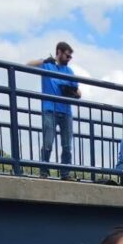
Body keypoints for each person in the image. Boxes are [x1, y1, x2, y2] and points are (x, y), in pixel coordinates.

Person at [29, 42, 80, 173]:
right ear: (59, 52)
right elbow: (28, 65)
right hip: (50, 110)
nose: (69, 59)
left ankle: (65, 173)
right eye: (67, 56)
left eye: (70, 57)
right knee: (48, 143)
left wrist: (71, 92)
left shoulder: (69, 71)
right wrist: (44, 60)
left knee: (67, 145)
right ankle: (44, 171)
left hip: (66, 112)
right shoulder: (47, 65)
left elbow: (79, 93)